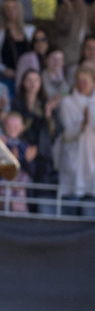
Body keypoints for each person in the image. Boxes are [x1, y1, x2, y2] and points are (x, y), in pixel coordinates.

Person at [56, 64, 95, 215]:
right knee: (72, 204)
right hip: (74, 158)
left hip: (92, 159)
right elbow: (67, 133)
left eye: (85, 81)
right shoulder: (67, 102)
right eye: (79, 81)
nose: (81, 84)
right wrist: (82, 125)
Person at [13, 68, 58, 194]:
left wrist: (48, 114)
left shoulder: (45, 104)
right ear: (23, 82)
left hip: (42, 152)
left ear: (40, 83)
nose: (32, 84)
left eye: (36, 80)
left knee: (42, 189)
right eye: (29, 80)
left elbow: (53, 132)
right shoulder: (17, 103)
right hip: (22, 151)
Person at [0, 0, 32, 91]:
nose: (11, 11)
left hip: (27, 79)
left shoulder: (30, 31)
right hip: (4, 78)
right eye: (7, 8)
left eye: (14, 8)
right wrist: (3, 70)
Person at [54, 0, 93, 74]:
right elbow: (62, 27)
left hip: (87, 57)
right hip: (68, 57)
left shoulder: (90, 10)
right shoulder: (62, 8)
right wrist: (69, 9)